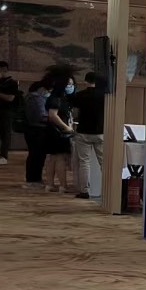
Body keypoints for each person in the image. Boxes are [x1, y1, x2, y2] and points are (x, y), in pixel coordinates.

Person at [71, 71, 106, 200]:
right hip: (100, 131)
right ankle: (108, 191)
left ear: (86, 81)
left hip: (83, 131)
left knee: (84, 162)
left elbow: (73, 104)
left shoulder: (80, 95)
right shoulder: (104, 95)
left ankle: (84, 191)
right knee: (104, 162)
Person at [43, 68, 77, 193]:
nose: (70, 87)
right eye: (68, 84)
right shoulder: (56, 98)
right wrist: (66, 127)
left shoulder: (59, 97)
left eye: (72, 84)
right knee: (60, 158)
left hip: (53, 131)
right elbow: (53, 115)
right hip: (58, 132)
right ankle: (63, 185)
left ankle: (50, 184)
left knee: (52, 159)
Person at [23, 80, 49, 189]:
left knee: (35, 155)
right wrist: (54, 117)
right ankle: (34, 180)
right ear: (40, 89)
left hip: (32, 129)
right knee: (37, 155)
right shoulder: (36, 98)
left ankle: (33, 179)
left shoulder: (30, 97)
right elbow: (41, 116)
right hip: (37, 129)